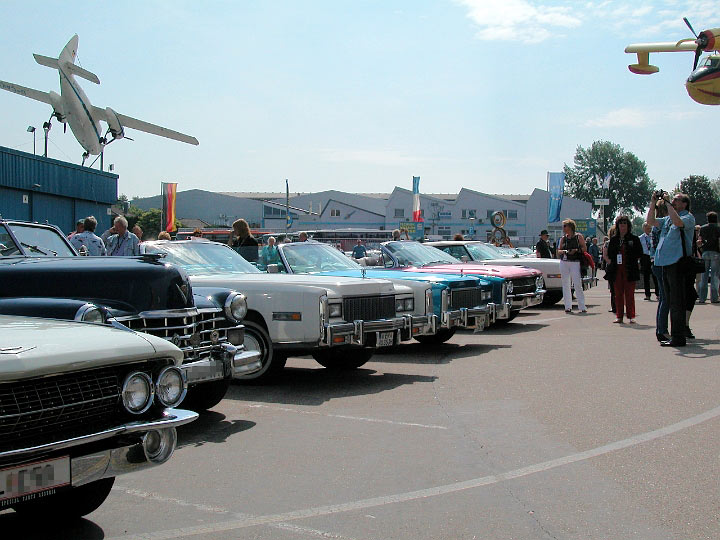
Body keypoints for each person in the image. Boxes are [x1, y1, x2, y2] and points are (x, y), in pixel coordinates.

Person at [647, 192, 695, 347]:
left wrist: (668, 204)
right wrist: (653, 203)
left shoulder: (688, 217)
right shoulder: (667, 219)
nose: (673, 201)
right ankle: (675, 335)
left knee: (676, 302)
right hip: (664, 263)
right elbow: (650, 221)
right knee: (669, 300)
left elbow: (678, 222)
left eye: (676, 199)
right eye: (672, 199)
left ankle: (678, 337)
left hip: (677, 263)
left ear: (684, 204)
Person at [606, 216, 643, 323]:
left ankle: (631, 316)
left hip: (630, 269)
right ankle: (619, 316)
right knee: (618, 293)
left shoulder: (634, 239)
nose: (623, 226)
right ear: (617, 226)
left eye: (625, 224)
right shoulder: (614, 240)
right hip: (617, 270)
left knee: (629, 294)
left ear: (628, 226)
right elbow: (609, 254)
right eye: (620, 224)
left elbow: (639, 252)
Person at [556, 219, 587, 313]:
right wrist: (564, 251)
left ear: (570, 227)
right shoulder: (563, 238)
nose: (564, 228)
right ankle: (567, 306)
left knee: (577, 283)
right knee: (565, 284)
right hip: (564, 261)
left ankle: (582, 306)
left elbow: (584, 248)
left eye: (565, 226)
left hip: (575, 261)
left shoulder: (578, 237)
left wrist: (576, 250)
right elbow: (558, 251)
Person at [650, 201, 670, 341]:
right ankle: (662, 329)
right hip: (662, 262)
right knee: (666, 298)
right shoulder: (662, 225)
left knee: (663, 297)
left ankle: (660, 329)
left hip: (655, 262)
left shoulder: (655, 226)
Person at [697, 211, 720, 303]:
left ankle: (702, 298)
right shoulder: (718, 228)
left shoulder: (702, 228)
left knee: (704, 276)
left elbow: (700, 241)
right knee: (714, 276)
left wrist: (702, 250)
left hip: (705, 252)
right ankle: (714, 298)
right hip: (716, 252)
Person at [638, 222, 659, 300]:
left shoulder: (654, 236)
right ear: (643, 229)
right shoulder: (641, 238)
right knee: (646, 277)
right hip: (645, 257)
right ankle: (647, 295)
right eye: (647, 228)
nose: (649, 230)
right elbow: (639, 249)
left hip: (653, 256)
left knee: (655, 276)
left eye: (650, 228)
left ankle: (658, 293)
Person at [603, 227, 617, 313]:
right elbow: (605, 255)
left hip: (621, 266)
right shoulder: (607, 243)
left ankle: (621, 306)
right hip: (611, 268)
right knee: (613, 289)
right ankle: (614, 306)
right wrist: (610, 262)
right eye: (613, 233)